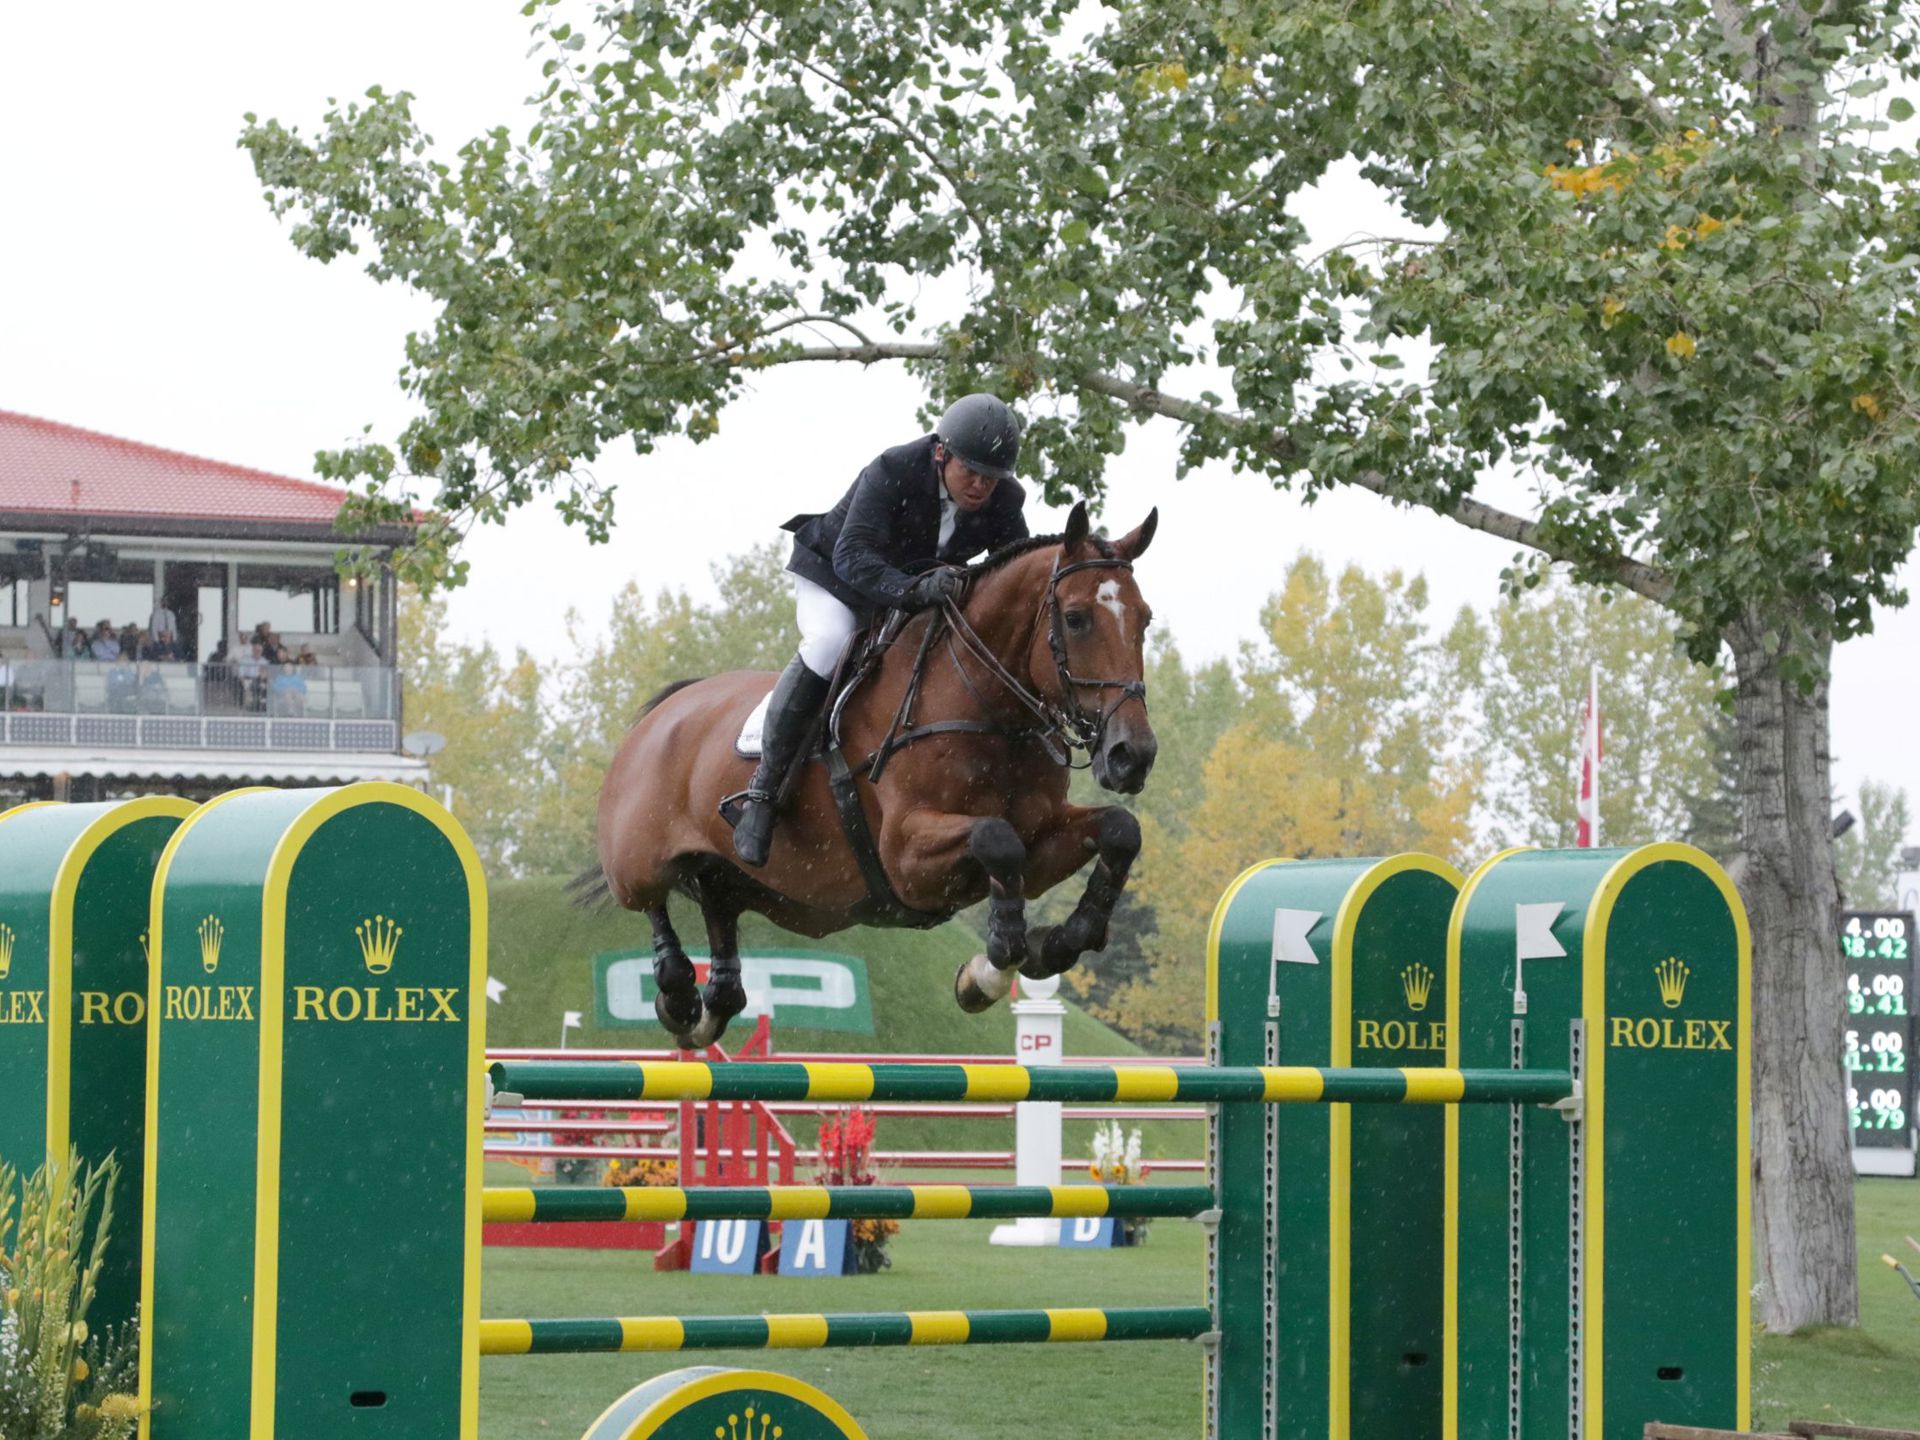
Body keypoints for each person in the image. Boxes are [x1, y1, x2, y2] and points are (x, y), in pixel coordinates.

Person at [728, 393, 1030, 868]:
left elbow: (1013, 571)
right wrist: (914, 589)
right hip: (837, 579)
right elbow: (852, 557)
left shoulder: (1005, 500)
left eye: (990, 478)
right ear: (941, 453)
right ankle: (763, 793)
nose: (979, 486)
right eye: (970, 472)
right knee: (829, 643)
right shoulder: (893, 470)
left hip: (913, 594)